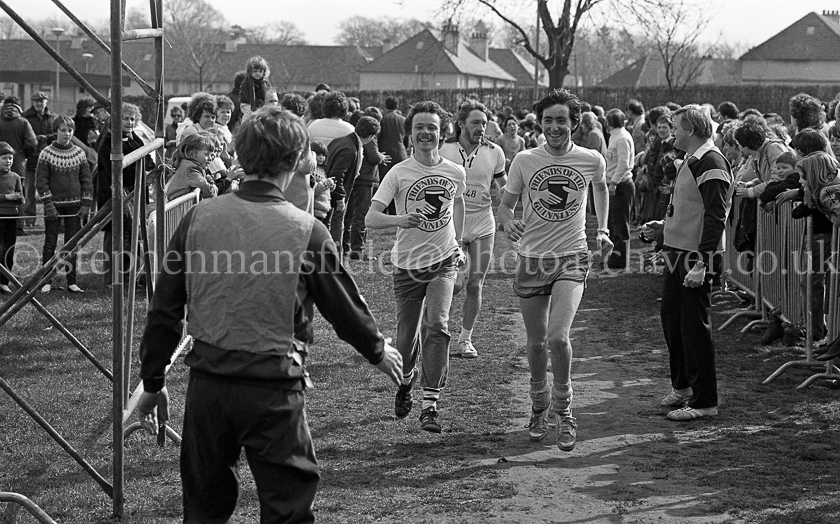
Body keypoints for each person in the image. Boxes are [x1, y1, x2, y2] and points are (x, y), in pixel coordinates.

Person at [136, 106, 402, 522]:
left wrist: (153, 381)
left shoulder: (197, 218)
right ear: (297, 161)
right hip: (273, 389)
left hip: (209, 388)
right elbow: (343, 305)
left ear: (241, 155)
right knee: (288, 509)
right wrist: (377, 350)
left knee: (203, 509)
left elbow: (165, 311)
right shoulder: (307, 229)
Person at [497, 88, 612, 451]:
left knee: (557, 338)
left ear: (574, 123)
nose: (554, 126)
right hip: (532, 258)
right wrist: (507, 221)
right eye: (548, 120)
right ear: (541, 124)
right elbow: (506, 205)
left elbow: (601, 188)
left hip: (572, 256)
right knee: (534, 345)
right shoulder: (524, 160)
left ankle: (564, 411)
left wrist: (603, 229)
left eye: (561, 120)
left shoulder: (591, 158)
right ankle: (538, 405)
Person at [365, 100, 466, 433]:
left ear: (443, 132)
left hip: (443, 262)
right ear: (409, 133)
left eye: (433, 127)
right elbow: (371, 218)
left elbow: (459, 203)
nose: (426, 133)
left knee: (437, 326)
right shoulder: (399, 172)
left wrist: (459, 244)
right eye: (420, 127)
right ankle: (406, 381)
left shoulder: (454, 171)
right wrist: (402, 219)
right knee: (406, 339)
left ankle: (430, 405)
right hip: (407, 266)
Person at [641, 104, 734, 422]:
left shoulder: (711, 160)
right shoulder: (694, 159)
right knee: (673, 321)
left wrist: (703, 263)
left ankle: (705, 400)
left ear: (692, 130)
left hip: (695, 257)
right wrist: (662, 227)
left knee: (694, 327)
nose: (673, 132)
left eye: (678, 127)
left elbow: (716, 215)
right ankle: (683, 387)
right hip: (677, 252)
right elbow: (688, 208)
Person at [439, 99, 506, 359]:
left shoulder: (494, 152)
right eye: (476, 122)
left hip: (482, 221)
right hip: (451, 222)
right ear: (461, 123)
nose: (481, 128)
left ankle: (465, 339)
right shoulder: (444, 149)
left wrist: (507, 203)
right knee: (452, 285)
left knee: (475, 284)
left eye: (484, 123)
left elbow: (504, 184)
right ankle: (436, 329)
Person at [36, 115, 92, 294]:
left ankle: (71, 281)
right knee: (50, 242)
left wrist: (86, 204)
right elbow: (41, 182)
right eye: (63, 130)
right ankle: (46, 280)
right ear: (55, 131)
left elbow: (86, 180)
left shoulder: (79, 153)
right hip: (54, 206)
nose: (67, 134)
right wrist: (49, 205)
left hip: (74, 207)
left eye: (70, 130)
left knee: (72, 244)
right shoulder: (46, 153)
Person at [325, 116, 380, 250]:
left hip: (327, 193)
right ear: (371, 136)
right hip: (334, 195)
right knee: (337, 226)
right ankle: (336, 260)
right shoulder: (350, 149)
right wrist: (340, 198)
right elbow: (337, 174)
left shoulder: (341, 141)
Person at [604, 108, 635, 269]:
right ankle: (615, 257)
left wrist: (614, 182)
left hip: (621, 185)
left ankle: (621, 260)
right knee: (614, 223)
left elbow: (623, 163)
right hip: (615, 183)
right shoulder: (615, 136)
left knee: (620, 224)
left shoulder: (621, 138)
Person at [0, 97, 36, 233]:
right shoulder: (23, 122)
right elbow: (32, 142)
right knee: (18, 192)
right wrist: (23, 154)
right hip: (18, 163)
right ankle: (19, 225)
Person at [377, 96, 408, 214]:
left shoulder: (382, 120)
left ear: (385, 105)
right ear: (397, 106)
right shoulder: (403, 120)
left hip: (386, 155)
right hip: (401, 154)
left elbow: (378, 138)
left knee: (385, 184)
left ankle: (385, 209)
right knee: (399, 184)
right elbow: (407, 140)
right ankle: (397, 209)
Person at [166, 131, 217, 201]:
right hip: (181, 210)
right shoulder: (191, 170)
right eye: (206, 154)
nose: (210, 158)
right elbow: (210, 192)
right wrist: (211, 181)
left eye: (211, 155)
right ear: (192, 154)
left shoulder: (187, 165)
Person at [0, 141, 23, 294]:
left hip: (11, 217)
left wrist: (18, 197)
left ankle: (4, 282)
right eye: (4, 158)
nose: (8, 161)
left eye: (10, 158)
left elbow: (22, 198)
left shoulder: (15, 177)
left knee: (9, 249)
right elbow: (7, 196)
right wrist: (7, 197)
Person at [238, 55, 271, 120]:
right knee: (249, 115)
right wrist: (256, 105)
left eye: (260, 71)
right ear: (250, 72)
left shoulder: (265, 83)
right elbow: (248, 95)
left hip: (261, 105)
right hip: (247, 103)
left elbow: (269, 93)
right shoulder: (247, 82)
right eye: (255, 71)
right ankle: (245, 128)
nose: (258, 73)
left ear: (264, 72)